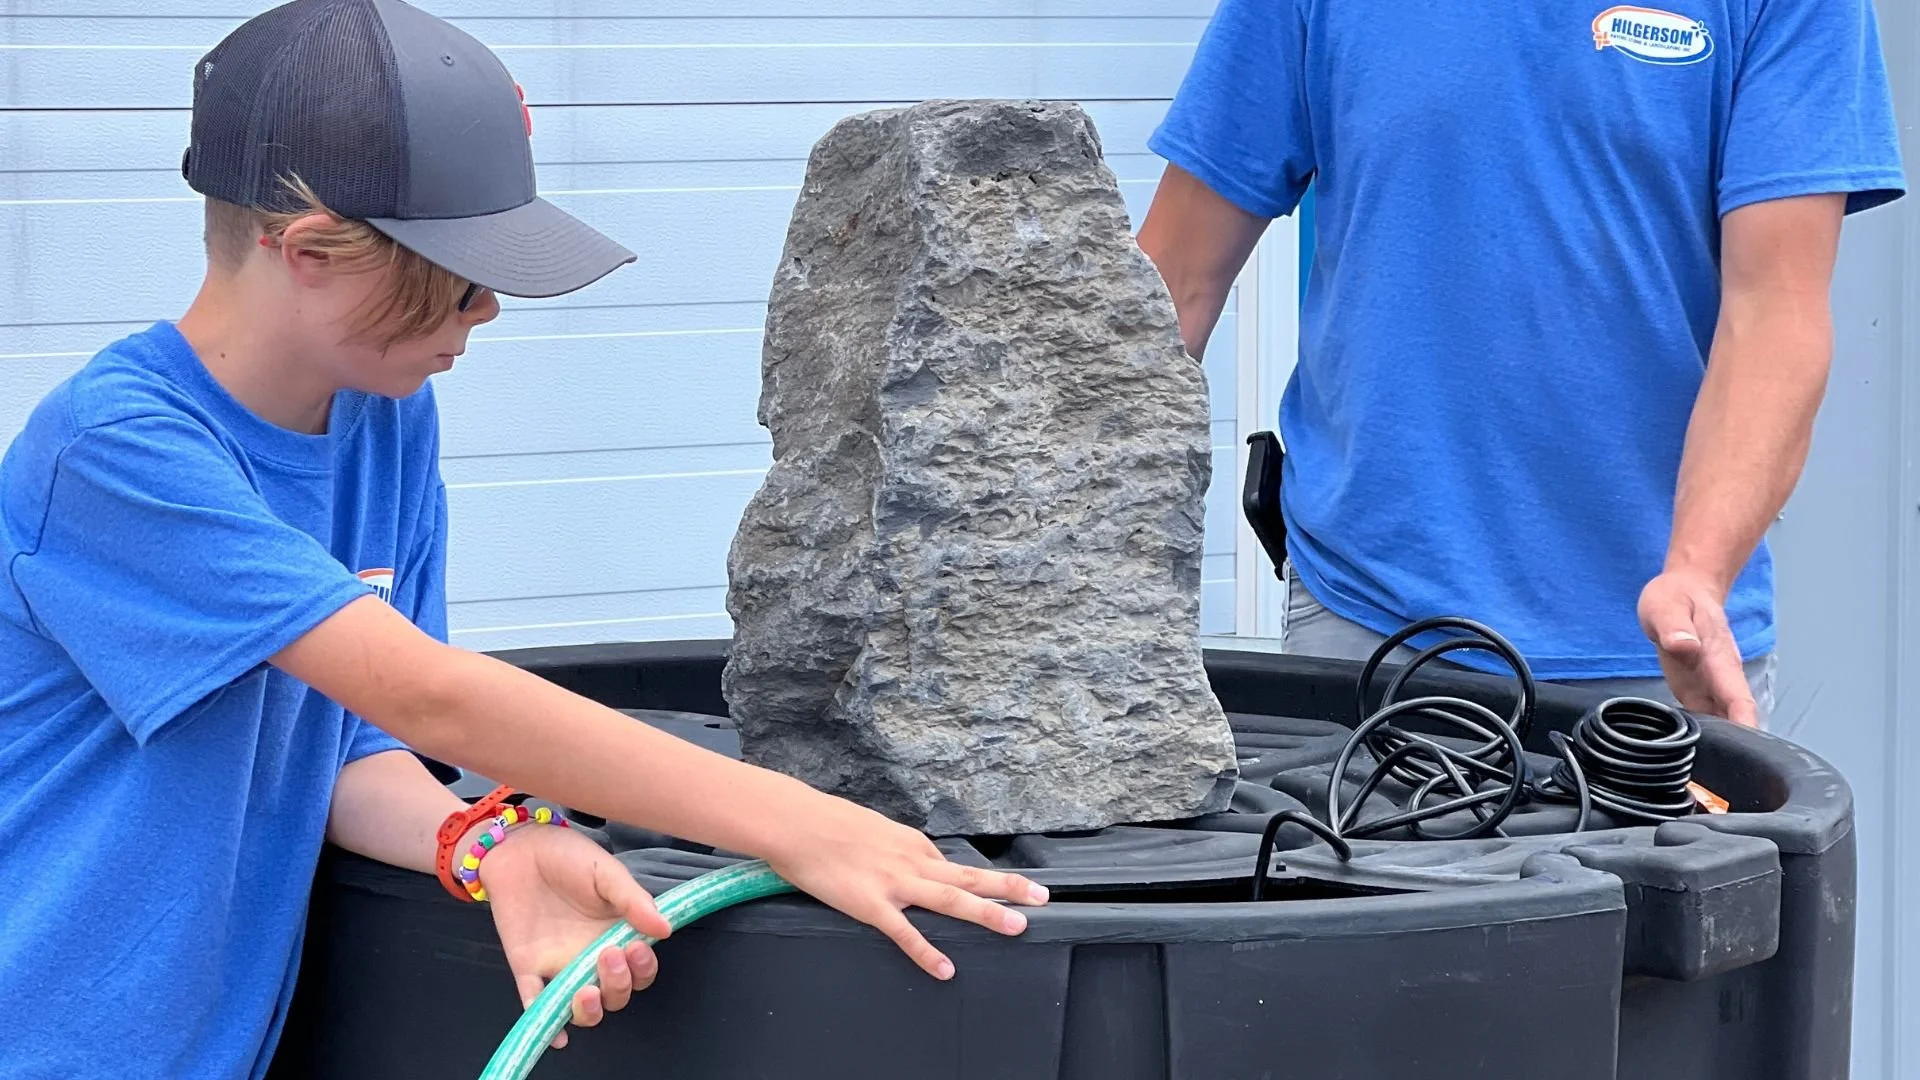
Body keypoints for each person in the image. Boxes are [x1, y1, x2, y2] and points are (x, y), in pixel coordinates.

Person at [0, 3, 1046, 1077]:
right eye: (456, 278)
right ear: (308, 250)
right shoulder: (116, 453)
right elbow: (428, 696)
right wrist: (797, 822)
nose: (488, 309)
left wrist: (486, 841)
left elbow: (352, 744)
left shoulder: (381, 415)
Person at [1137, 0, 1906, 728]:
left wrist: (1698, 572)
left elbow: (1774, 314)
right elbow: (1172, 284)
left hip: (1664, 655)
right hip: (1367, 629)